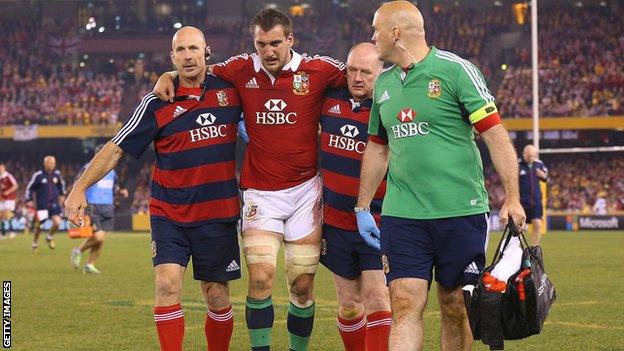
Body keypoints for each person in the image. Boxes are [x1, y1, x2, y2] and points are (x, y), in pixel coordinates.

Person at [154, 9, 346, 351]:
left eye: (275, 43)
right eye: (261, 44)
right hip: (260, 192)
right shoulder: (240, 68)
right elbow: (198, 69)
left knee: (302, 286)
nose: (268, 51)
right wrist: (169, 74)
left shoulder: (319, 69)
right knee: (260, 279)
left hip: (305, 192)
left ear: (290, 39)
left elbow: (363, 75)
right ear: (253, 42)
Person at [355, 2, 526, 350]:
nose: (373, 38)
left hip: (459, 210)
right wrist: (362, 206)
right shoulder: (384, 83)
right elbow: (377, 147)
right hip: (403, 214)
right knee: (403, 302)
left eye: (376, 30)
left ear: (395, 32)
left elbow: (495, 135)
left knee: (455, 307)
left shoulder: (456, 71)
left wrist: (513, 197)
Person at [65, 27, 243, 351]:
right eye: (181, 51)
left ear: (207, 52)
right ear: (172, 57)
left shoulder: (231, 92)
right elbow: (116, 147)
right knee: (166, 284)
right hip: (170, 213)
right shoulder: (156, 101)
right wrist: (79, 188)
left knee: (217, 296)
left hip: (217, 213)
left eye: (194, 48)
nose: (188, 55)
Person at [318, 43, 391, 351]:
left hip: (377, 221)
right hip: (335, 221)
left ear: (380, 73)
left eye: (366, 72)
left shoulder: (388, 109)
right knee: (349, 304)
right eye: (352, 70)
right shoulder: (327, 100)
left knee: (377, 297)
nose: (358, 78)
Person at [70, 144, 129, 274]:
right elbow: (77, 184)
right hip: (93, 206)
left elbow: (114, 188)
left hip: (108, 207)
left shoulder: (112, 171)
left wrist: (121, 192)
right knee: (98, 237)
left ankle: (90, 264)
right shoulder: (87, 169)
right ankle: (78, 250)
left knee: (101, 239)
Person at [25, 156, 66, 252]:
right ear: (44, 164)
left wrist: (62, 195)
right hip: (42, 206)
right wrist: (29, 199)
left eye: (52, 163)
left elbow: (61, 186)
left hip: (54, 204)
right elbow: (30, 188)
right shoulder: (38, 175)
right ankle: (35, 242)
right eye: (49, 163)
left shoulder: (57, 175)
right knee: (38, 226)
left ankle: (49, 236)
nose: (50, 165)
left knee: (57, 222)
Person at [519, 144, 549, 245]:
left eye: (533, 156)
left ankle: (534, 249)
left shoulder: (539, 164)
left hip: (536, 202)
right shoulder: (518, 165)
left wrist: (542, 175)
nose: (531, 158)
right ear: (524, 154)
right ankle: (518, 249)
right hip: (522, 202)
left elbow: (546, 179)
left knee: (538, 225)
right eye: (529, 156)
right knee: (519, 227)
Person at [0, 163, 18, 239]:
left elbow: (15, 185)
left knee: (8, 214)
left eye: (1, 168)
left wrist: (9, 191)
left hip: (9, 198)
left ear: (4, 168)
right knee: (1, 216)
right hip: (2, 199)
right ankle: (3, 233)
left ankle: (12, 231)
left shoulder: (8, 176)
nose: (0, 170)